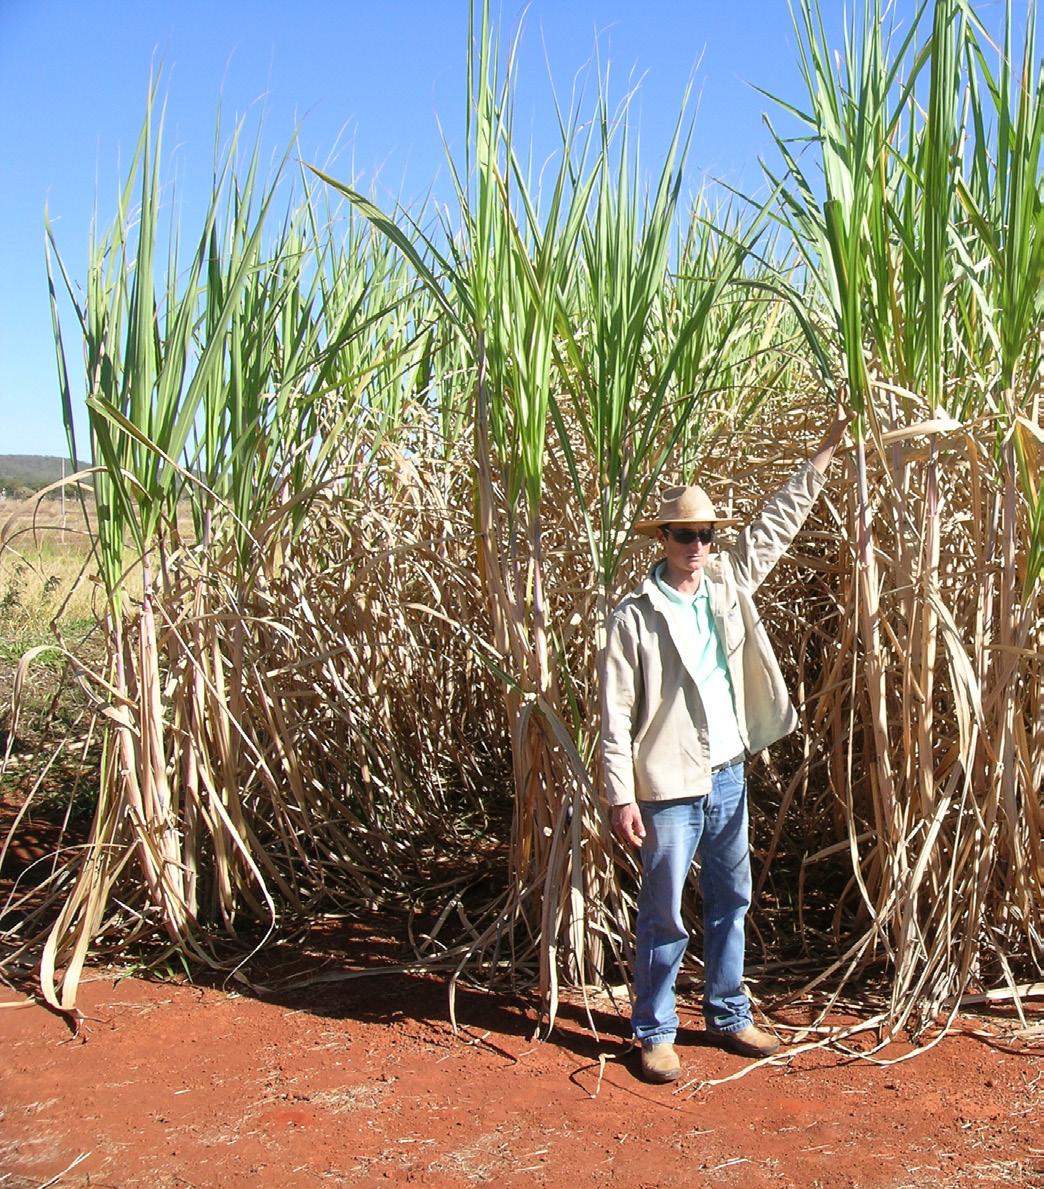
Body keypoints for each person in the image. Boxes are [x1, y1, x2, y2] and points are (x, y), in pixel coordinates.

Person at [601, 401, 851, 1083]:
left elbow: (777, 521)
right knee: (663, 913)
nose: (697, 545)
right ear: (663, 537)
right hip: (668, 787)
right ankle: (653, 1030)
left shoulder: (724, 586)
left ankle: (728, 1010)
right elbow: (615, 711)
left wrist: (825, 450)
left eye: (706, 533)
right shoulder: (634, 617)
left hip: (727, 773)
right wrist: (620, 794)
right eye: (685, 533)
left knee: (732, 896)